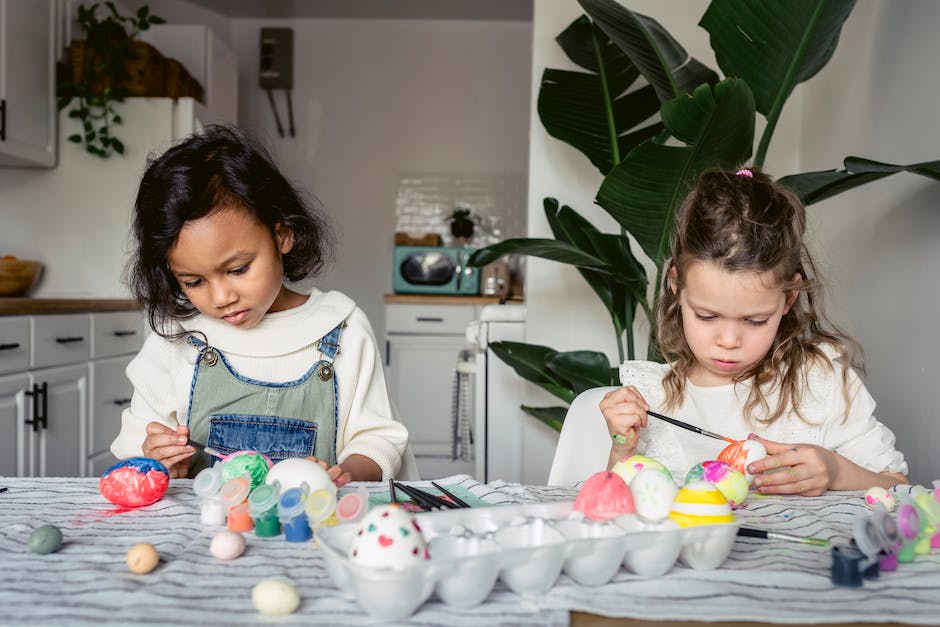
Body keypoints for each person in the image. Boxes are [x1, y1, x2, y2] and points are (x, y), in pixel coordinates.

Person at [111, 124, 415, 485]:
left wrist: (345, 474)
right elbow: (137, 447)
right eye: (193, 281)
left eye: (238, 269)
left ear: (282, 234)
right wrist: (159, 461)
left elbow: (378, 439)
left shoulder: (341, 328)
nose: (222, 297)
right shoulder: (178, 338)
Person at [600, 167, 908, 496]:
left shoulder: (821, 385)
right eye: (706, 316)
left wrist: (834, 472)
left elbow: (899, 486)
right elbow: (614, 508)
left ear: (789, 298)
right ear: (676, 284)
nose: (729, 341)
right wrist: (623, 449)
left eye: (754, 321)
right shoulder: (651, 398)